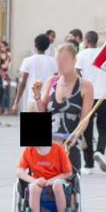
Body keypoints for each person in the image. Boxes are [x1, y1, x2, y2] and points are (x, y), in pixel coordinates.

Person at [34, 43, 94, 173]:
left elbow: (85, 119)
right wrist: (37, 96)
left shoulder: (85, 86)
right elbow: (41, 114)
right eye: (58, 60)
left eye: (65, 60)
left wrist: (74, 137)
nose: (61, 64)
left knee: (68, 183)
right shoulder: (51, 81)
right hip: (47, 143)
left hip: (70, 142)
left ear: (74, 60)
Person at [16, 141, 73, 212]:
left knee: (57, 185)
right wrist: (35, 180)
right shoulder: (29, 150)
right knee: (33, 188)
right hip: (39, 185)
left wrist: (51, 180)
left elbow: (68, 172)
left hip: (57, 182)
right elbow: (19, 171)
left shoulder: (57, 148)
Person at [76, 31, 106, 174]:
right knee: (104, 128)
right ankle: (100, 151)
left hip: (87, 97)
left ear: (85, 41)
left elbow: (76, 72)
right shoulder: (105, 53)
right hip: (104, 96)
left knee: (86, 130)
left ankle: (89, 164)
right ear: (96, 40)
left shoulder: (81, 55)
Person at [12, 34, 57, 114]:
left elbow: (23, 83)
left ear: (35, 45)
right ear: (48, 46)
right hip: (48, 101)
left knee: (31, 127)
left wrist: (16, 102)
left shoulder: (27, 60)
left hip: (32, 100)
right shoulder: (53, 61)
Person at [0, 40, 12, 113]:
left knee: (5, 93)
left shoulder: (8, 54)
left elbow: (5, 66)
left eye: (3, 46)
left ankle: (6, 109)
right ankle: (0, 109)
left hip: (5, 75)